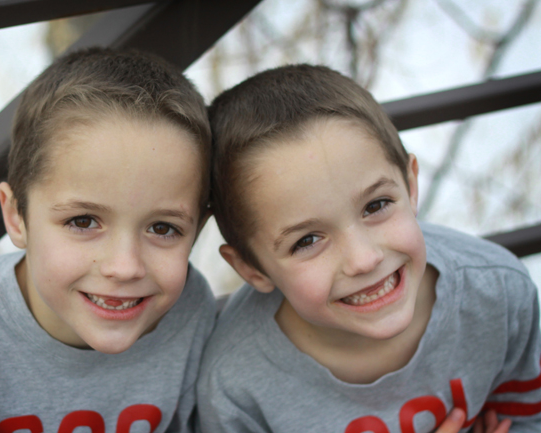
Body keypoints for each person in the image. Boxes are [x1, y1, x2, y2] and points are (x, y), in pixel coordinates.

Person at [197, 64, 541, 432]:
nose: (364, 259)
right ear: (252, 269)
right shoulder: (235, 386)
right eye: (307, 240)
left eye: (375, 206)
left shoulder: (498, 293)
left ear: (410, 185)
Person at [0, 47, 215, 433]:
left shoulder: (191, 308)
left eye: (163, 228)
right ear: (16, 216)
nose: (125, 267)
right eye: (83, 220)